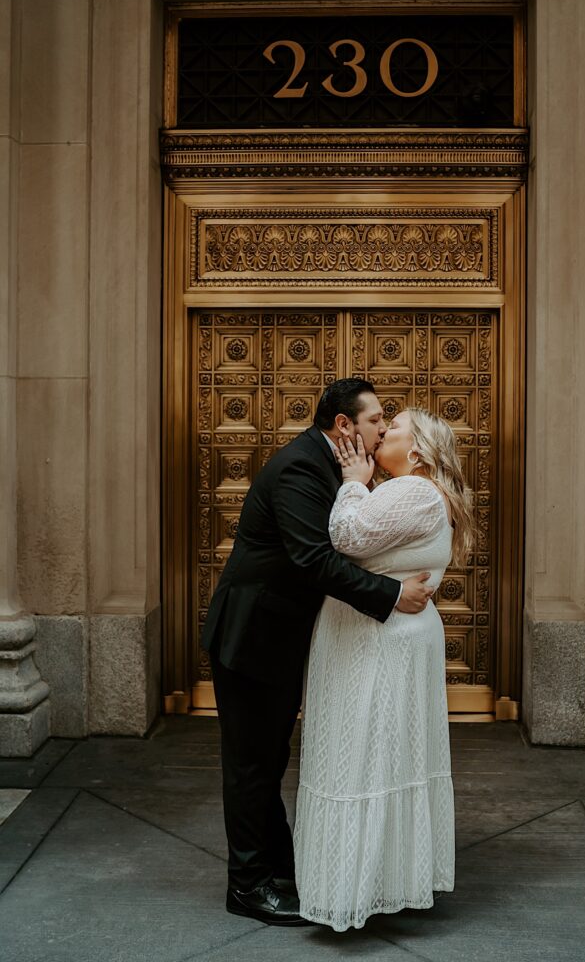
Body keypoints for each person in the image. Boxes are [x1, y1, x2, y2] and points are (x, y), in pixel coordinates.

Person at [201, 379, 435, 926]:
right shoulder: (302, 467)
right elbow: (313, 559)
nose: (383, 427)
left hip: (278, 638)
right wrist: (393, 594)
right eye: (377, 419)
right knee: (251, 766)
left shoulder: (340, 466)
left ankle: (279, 867)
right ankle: (248, 886)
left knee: (268, 759)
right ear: (344, 426)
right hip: (252, 636)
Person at [293, 407, 475, 931]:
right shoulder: (414, 492)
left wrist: (353, 484)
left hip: (378, 641)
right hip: (386, 632)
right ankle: (377, 881)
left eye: (392, 426)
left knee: (365, 756)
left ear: (417, 449)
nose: (379, 433)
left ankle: (356, 889)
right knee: (385, 756)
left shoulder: (412, 490)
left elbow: (346, 538)